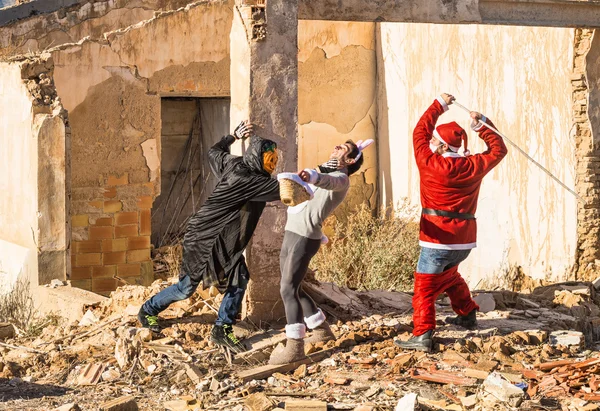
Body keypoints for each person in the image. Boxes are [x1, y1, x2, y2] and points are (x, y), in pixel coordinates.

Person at [138, 121, 280, 353]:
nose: (272, 163)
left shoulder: (235, 163)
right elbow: (287, 190)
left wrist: (232, 136)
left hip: (222, 238)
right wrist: (324, 173)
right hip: (203, 238)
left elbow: (215, 152)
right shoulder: (250, 181)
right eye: (269, 157)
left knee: (239, 275)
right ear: (257, 157)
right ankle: (148, 310)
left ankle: (222, 329)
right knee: (186, 288)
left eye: (274, 157)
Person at [395, 93, 508, 352]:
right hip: (465, 241)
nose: (431, 142)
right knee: (450, 275)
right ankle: (467, 313)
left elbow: (419, 132)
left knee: (424, 289)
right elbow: (498, 150)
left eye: (436, 140)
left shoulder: (430, 163)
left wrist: (440, 105)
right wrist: (482, 126)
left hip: (437, 240)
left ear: (444, 146)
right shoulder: (473, 165)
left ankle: (422, 334)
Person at [268, 139, 373, 365]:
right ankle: (321, 329)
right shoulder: (325, 170)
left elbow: (328, 182)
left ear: (350, 160)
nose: (336, 147)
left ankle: (295, 348)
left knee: (287, 289)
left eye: (343, 149)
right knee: (293, 287)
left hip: (305, 238)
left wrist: (312, 177)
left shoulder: (341, 179)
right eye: (338, 145)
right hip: (292, 233)